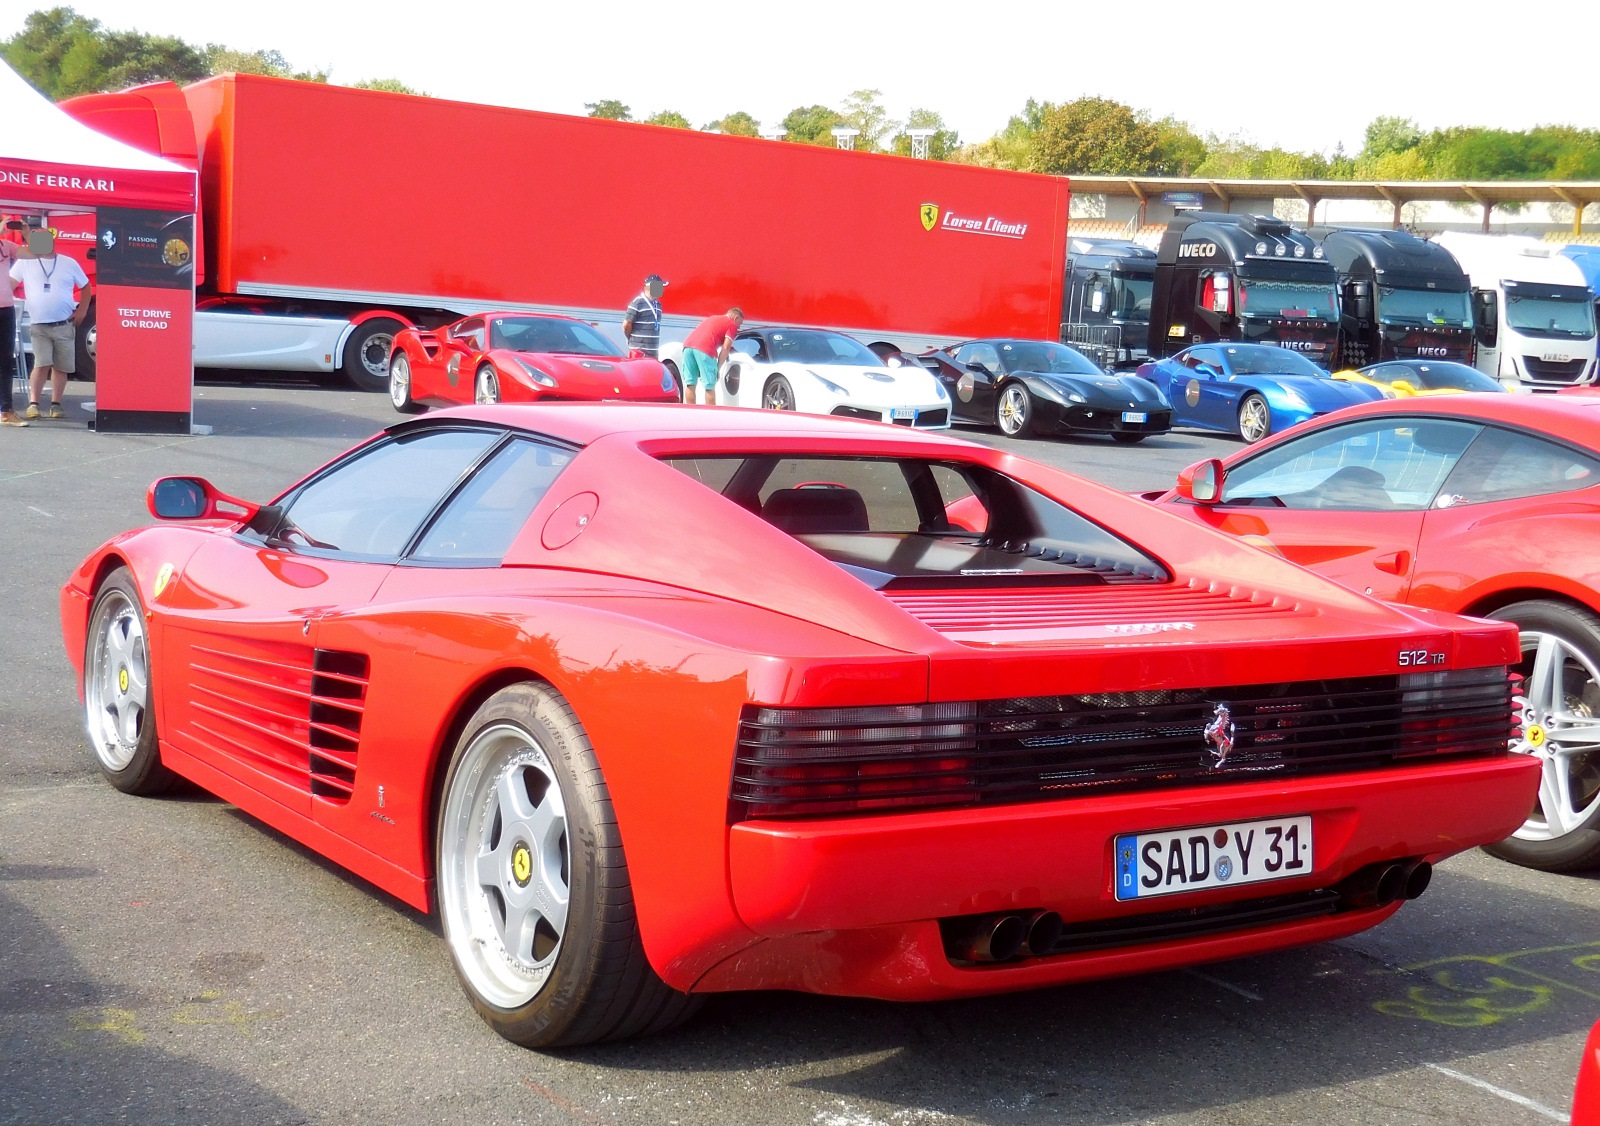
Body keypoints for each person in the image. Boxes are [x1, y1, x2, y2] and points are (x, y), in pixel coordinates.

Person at [9, 229, 90, 420]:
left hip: (64, 323)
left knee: (61, 367)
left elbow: (86, 287)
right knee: (41, 363)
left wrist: (82, 310)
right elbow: (8, 284)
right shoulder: (25, 262)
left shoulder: (68, 263)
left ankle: (56, 404)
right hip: (39, 325)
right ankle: (34, 403)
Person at [681, 307, 743, 405]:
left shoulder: (712, 318)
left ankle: (690, 412)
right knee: (709, 386)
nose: (739, 327)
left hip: (687, 347)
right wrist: (718, 368)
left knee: (690, 383)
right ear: (735, 318)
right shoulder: (732, 324)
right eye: (740, 323)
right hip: (705, 350)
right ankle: (711, 415)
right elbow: (726, 347)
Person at [0, 229, 25, 427]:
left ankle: (6, 411)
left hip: (6, 309)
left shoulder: (6, 246)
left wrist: (27, 232)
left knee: (6, 360)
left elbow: (38, 253)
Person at [621, 274, 667, 359]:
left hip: (653, 352)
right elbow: (626, 325)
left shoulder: (658, 305)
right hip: (639, 352)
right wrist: (631, 339)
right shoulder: (637, 303)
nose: (662, 290)